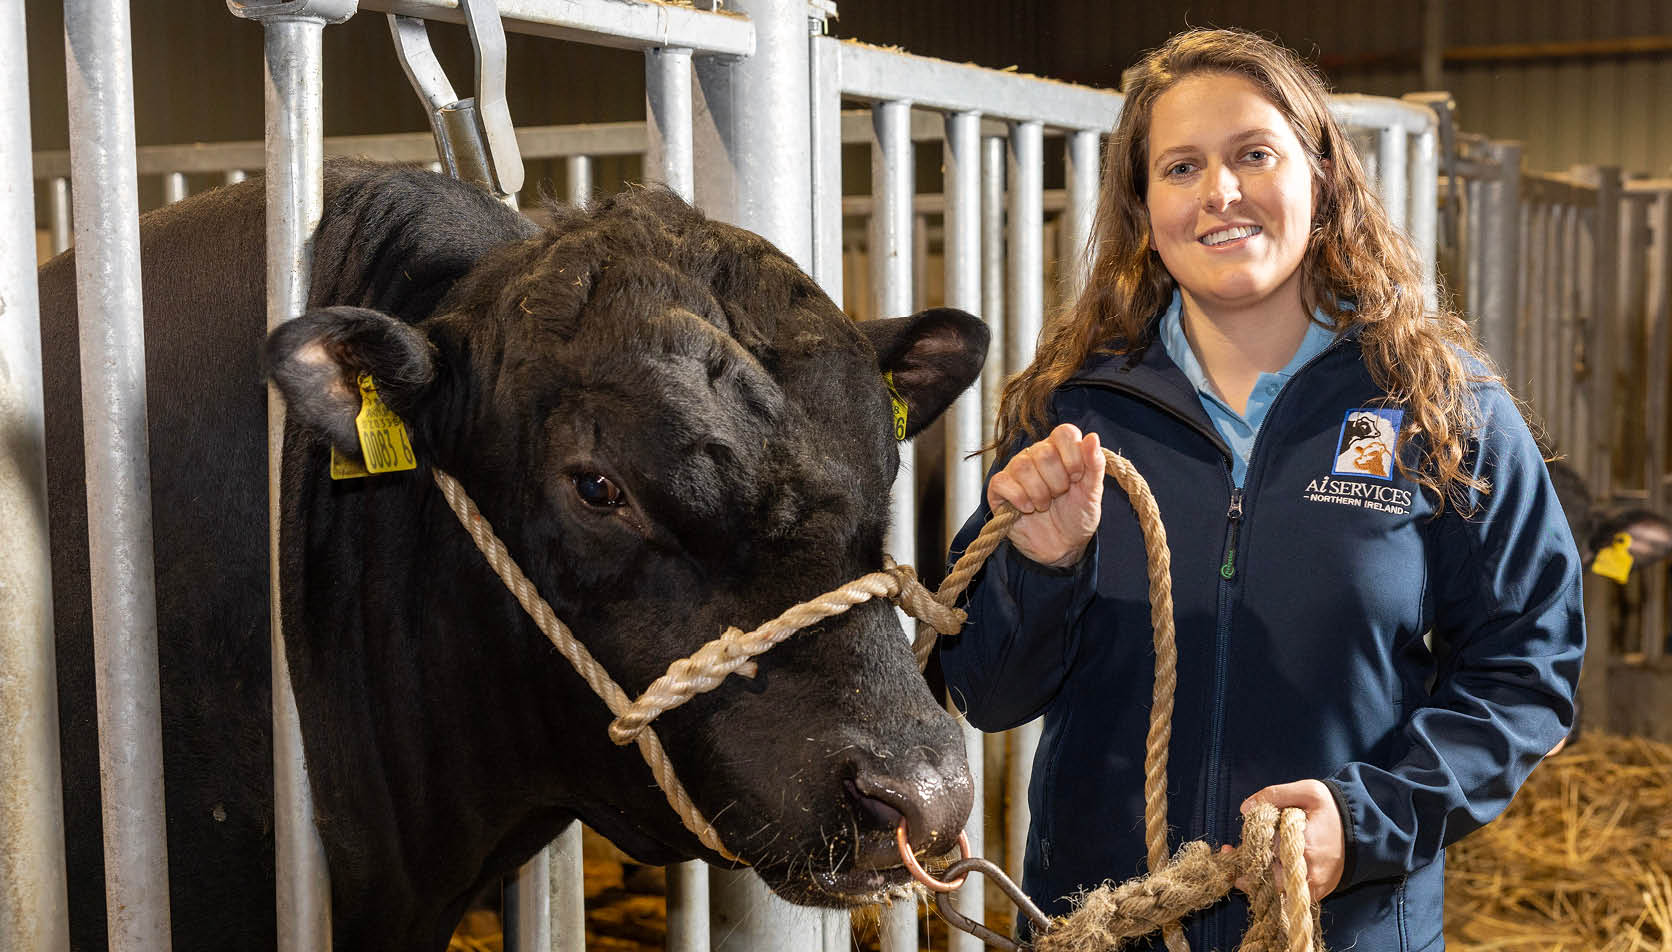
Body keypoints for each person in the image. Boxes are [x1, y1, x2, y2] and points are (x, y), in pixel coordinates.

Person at [937, 28, 1583, 951]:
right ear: (1144, 206)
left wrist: (1367, 821)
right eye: (1181, 168)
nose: (1220, 194)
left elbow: (1528, 671)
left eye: (1254, 155)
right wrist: (1040, 568)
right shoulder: (1077, 414)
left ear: (1321, 180)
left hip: (1347, 927)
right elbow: (985, 693)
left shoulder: (1443, 407)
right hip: (1101, 924)